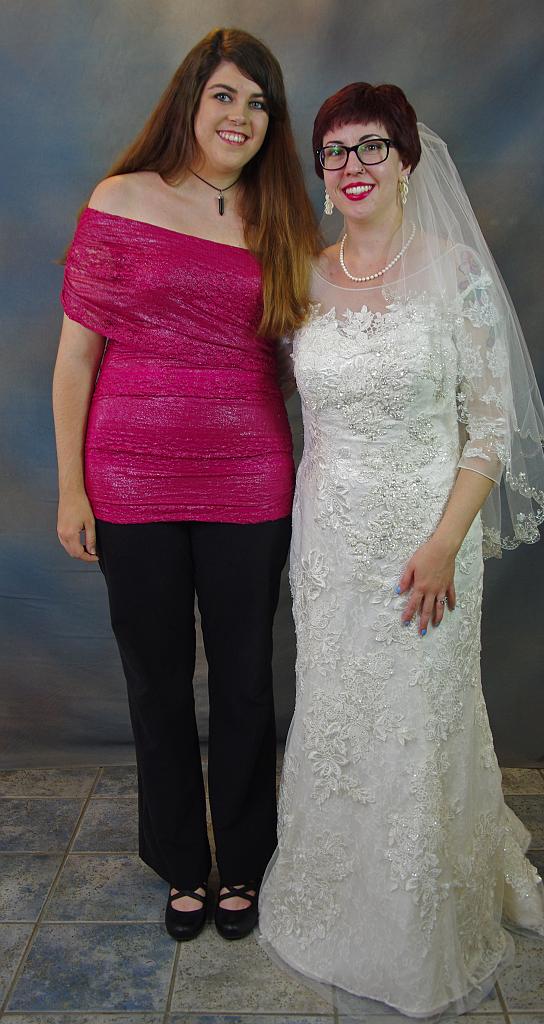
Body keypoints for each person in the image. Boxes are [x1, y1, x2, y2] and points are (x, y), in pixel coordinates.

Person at [258, 83, 544, 1017]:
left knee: (419, 723)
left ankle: (419, 926)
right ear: (322, 172)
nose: (352, 166)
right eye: (335, 151)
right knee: (339, 715)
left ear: (406, 162)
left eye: (370, 147)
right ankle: (333, 898)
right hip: (329, 543)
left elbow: (490, 428)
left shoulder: (454, 270)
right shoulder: (302, 274)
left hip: (428, 541)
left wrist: (443, 543)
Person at [52, 27, 319, 942]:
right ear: (191, 101)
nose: (241, 116)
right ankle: (179, 863)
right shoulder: (121, 198)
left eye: (258, 103)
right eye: (225, 96)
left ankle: (242, 861)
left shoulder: (282, 218)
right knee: (156, 679)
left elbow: (301, 362)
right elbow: (76, 360)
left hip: (251, 477)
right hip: (129, 479)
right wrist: (72, 490)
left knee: (244, 679)